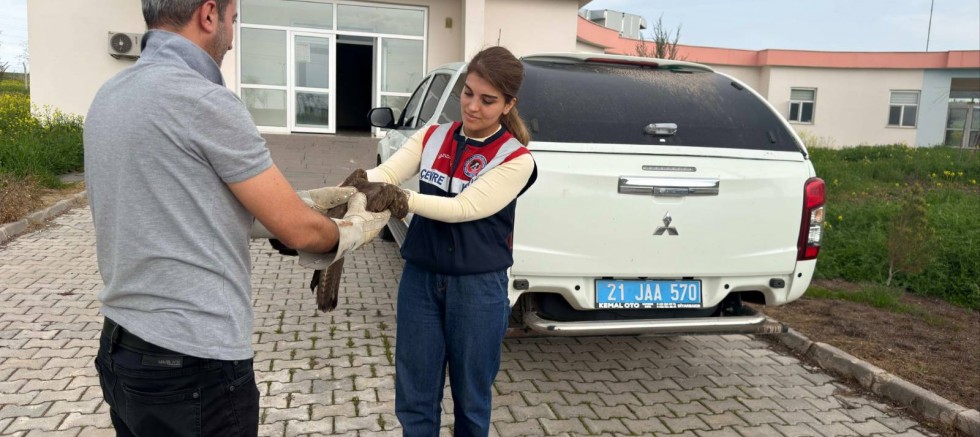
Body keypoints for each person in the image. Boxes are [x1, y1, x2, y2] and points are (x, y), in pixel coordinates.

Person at [83, 1, 388, 435]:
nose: (233, 35)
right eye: (234, 20)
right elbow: (298, 231)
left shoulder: (109, 95)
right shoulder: (205, 101)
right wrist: (352, 229)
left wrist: (301, 199)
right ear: (209, 15)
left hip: (122, 351)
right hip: (192, 367)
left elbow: (187, 202)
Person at [365, 46, 537, 436]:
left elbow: (464, 208)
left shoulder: (517, 158)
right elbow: (387, 173)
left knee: (471, 402)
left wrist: (400, 200)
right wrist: (354, 188)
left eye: (488, 100)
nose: (473, 106)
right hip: (421, 280)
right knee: (415, 399)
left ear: (509, 104)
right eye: (468, 93)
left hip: (478, 289)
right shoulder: (433, 135)